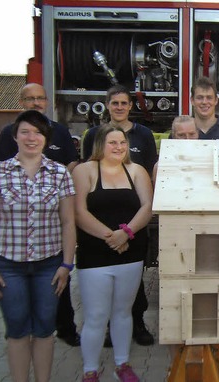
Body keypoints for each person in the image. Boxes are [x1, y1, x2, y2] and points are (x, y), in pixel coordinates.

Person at [0, 110, 76, 382]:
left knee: (45, 328)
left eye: (37, 133)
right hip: (9, 266)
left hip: (49, 266)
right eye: (25, 132)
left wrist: (67, 265)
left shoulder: (59, 174)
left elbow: (68, 223)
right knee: (17, 328)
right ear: (15, 136)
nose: (31, 138)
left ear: (46, 138)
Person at [0, 83, 81, 347]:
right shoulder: (9, 134)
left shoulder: (61, 132)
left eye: (40, 98)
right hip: (19, 228)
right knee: (20, 290)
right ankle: (25, 332)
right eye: (29, 98)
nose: (35, 102)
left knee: (58, 281)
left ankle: (65, 328)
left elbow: (72, 164)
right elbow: (0, 173)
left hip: (53, 221)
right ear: (21, 102)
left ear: (47, 101)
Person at [73, 125, 153, 382]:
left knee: (122, 312)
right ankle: (90, 370)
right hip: (95, 257)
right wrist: (112, 237)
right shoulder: (84, 171)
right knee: (96, 315)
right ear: (100, 145)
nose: (118, 147)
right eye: (112, 142)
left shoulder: (137, 171)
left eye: (122, 142)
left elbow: (148, 206)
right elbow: (79, 212)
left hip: (130, 254)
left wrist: (127, 232)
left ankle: (122, 364)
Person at [81, 85, 156, 346]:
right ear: (108, 106)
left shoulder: (144, 134)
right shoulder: (92, 134)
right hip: (101, 231)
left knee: (134, 283)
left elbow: (149, 171)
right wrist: (110, 235)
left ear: (130, 106)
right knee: (103, 291)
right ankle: (109, 328)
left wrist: (127, 232)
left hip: (133, 221)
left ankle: (137, 323)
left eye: (124, 103)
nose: (120, 107)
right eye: (115, 103)